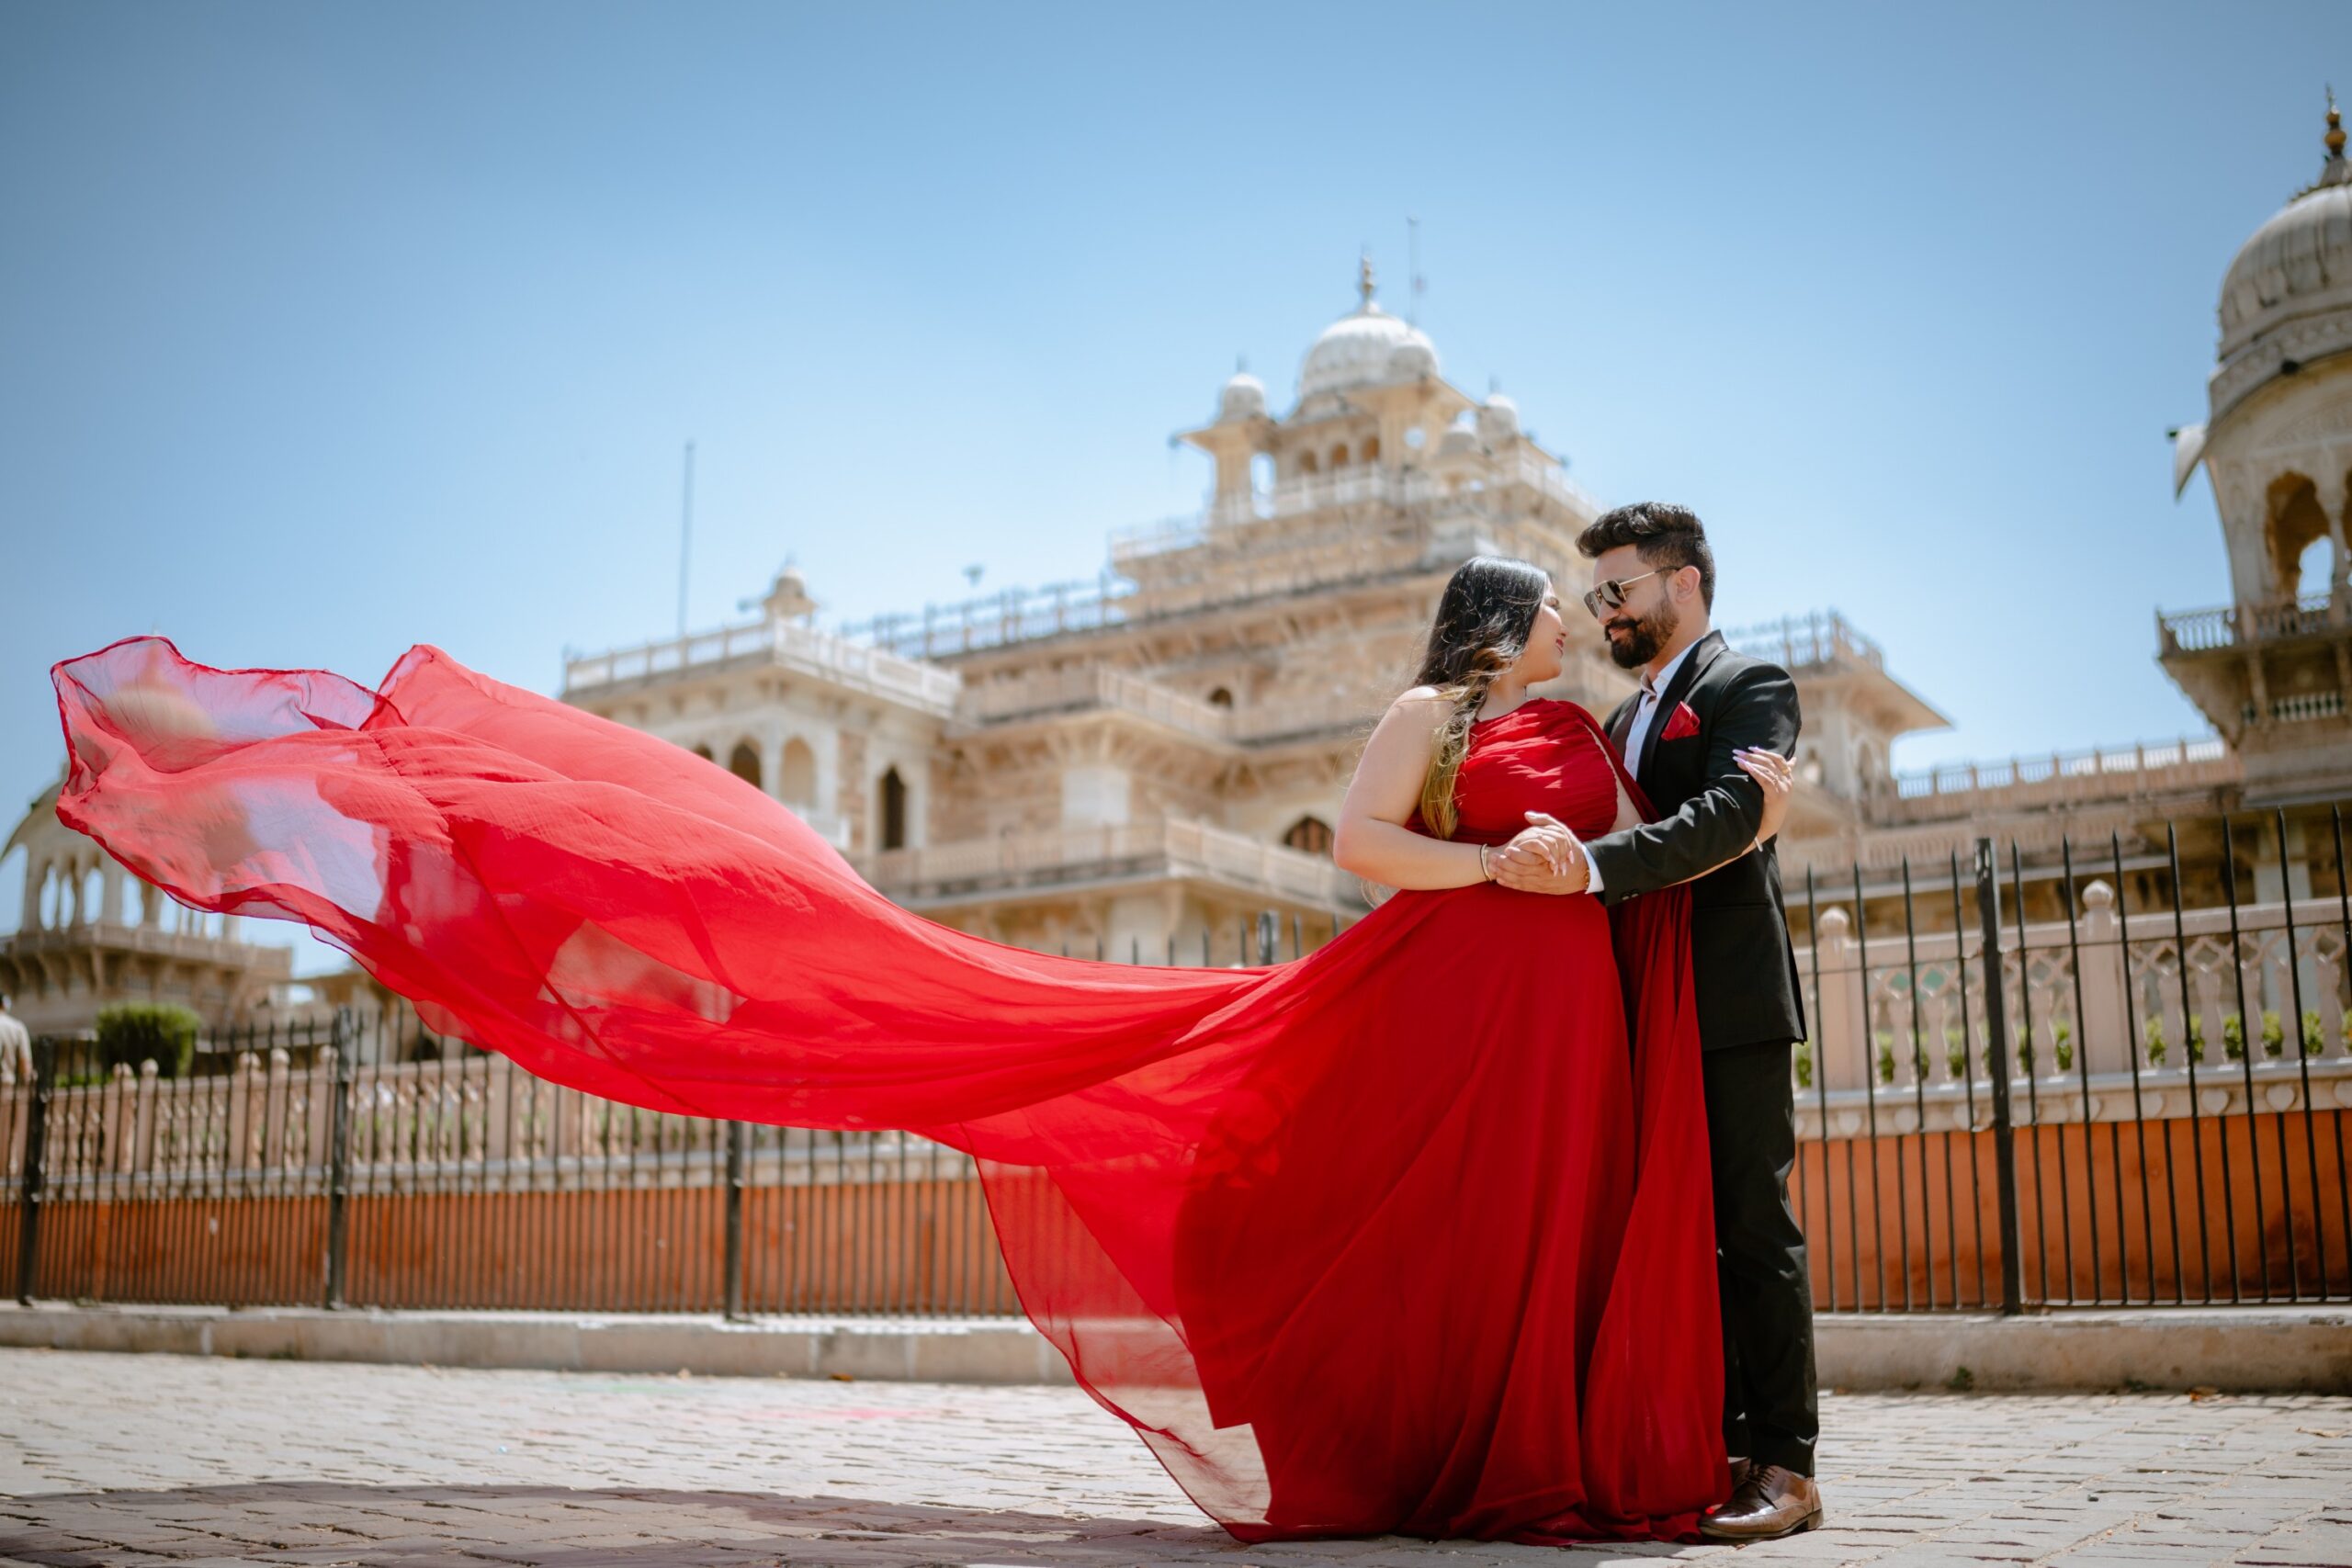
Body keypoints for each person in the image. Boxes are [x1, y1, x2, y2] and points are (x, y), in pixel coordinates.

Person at [46, 558, 1791, 1546]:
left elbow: (1661, 835)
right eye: (1560, 594)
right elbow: (1361, 843)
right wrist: (1500, 863)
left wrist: (1732, 800)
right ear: (1503, 622)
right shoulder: (1446, 713)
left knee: (1507, 1225)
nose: (1583, 605)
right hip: (1445, 979)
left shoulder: (1594, 722)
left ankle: (1529, 1440)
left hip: (1556, 1014)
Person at [1492, 502, 1821, 1542]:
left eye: (1618, 591)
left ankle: (1786, 1465)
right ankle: (1703, 1444)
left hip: (1725, 999)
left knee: (1747, 1225)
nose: (1603, 613)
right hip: (1639, 1004)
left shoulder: (1748, 687)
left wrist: (1585, 869)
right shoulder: (1625, 717)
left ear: (1684, 584)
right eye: (1592, 598)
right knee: (1669, 1231)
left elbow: (1727, 818)